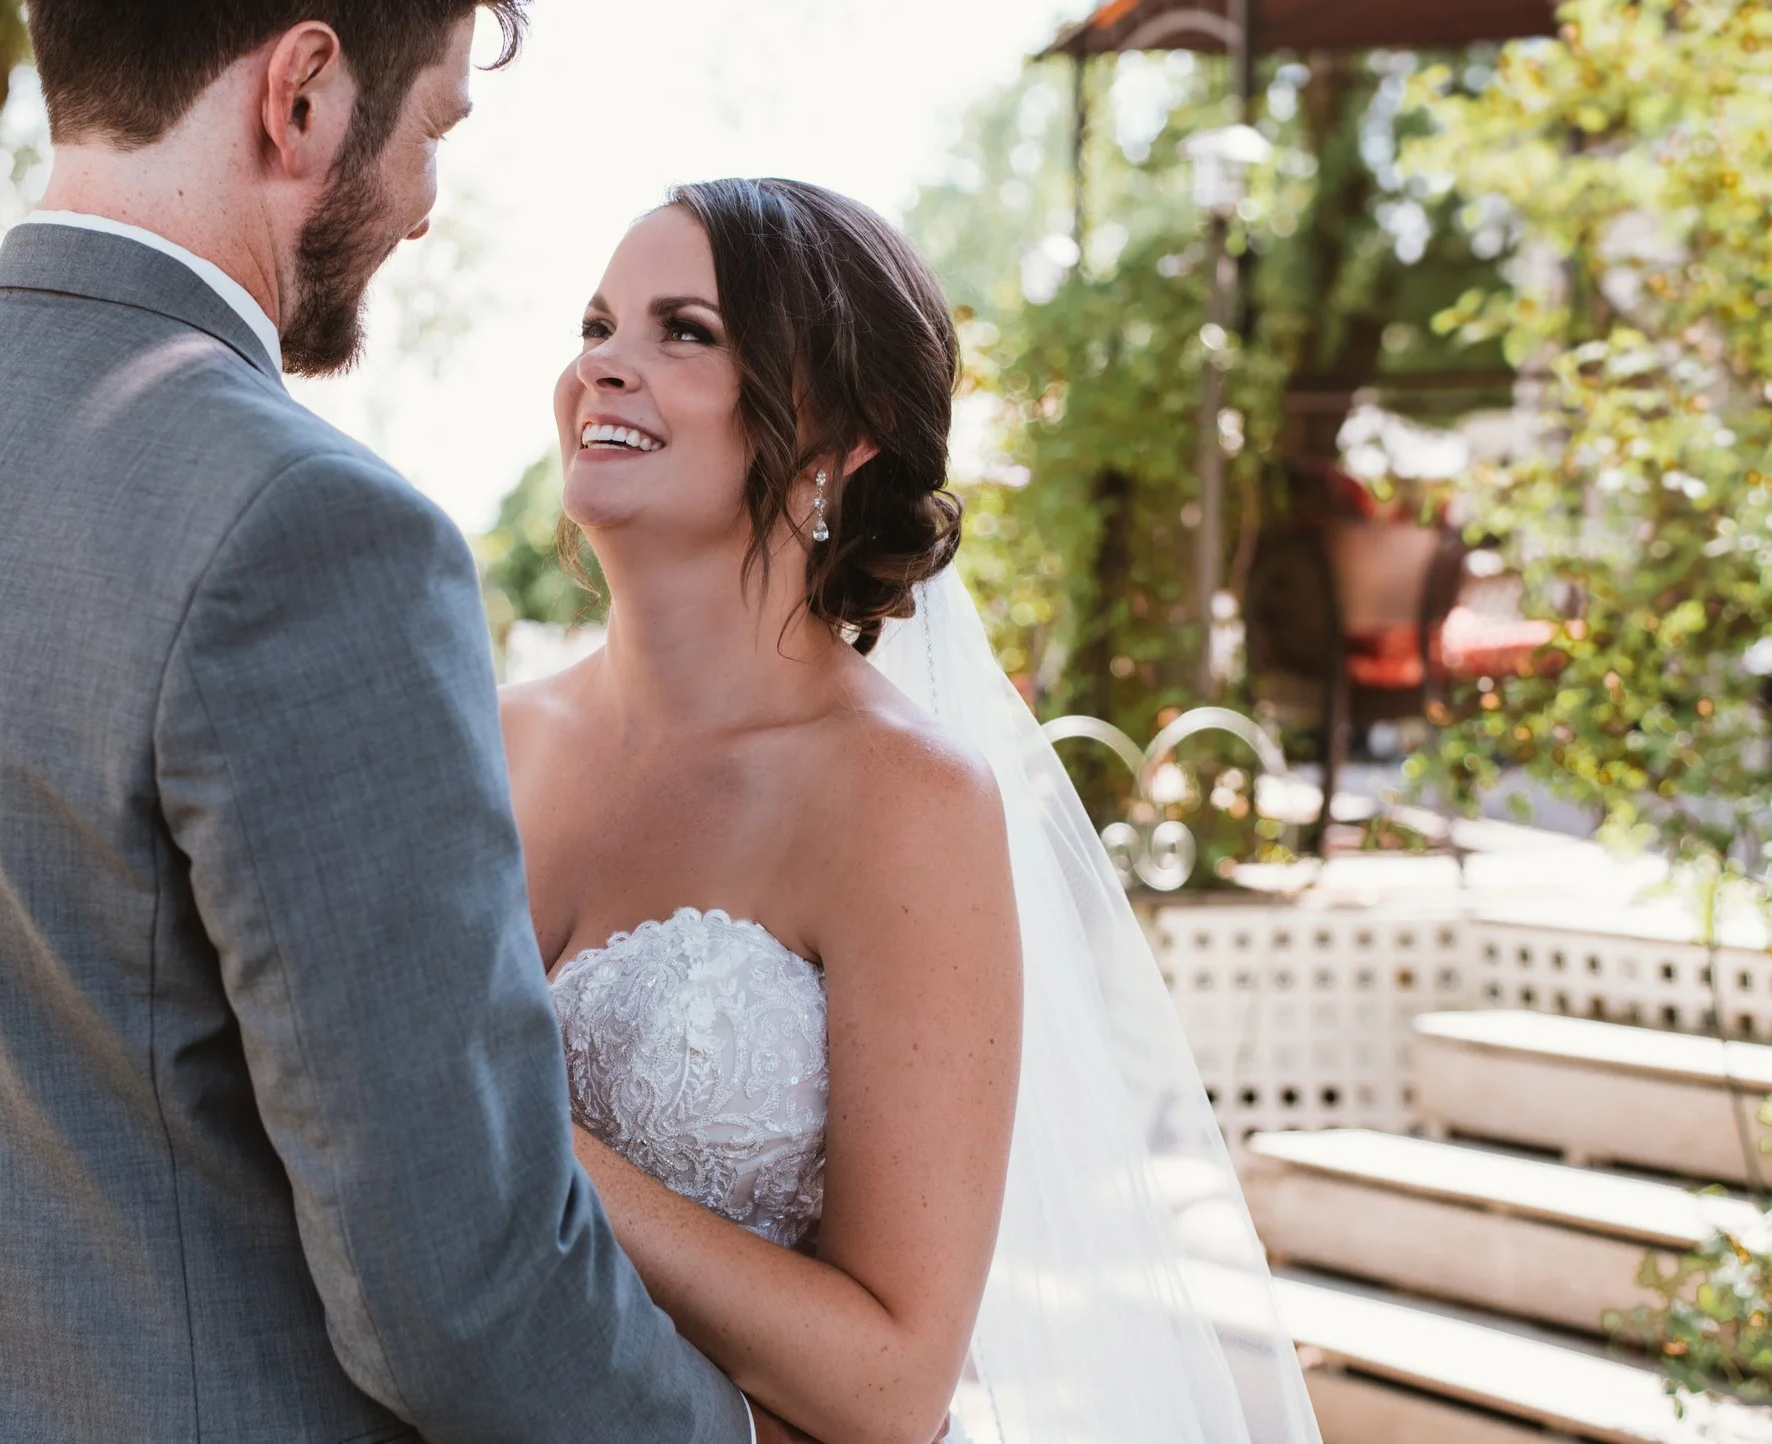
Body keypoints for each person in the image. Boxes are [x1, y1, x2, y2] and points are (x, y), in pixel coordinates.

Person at [0, 0, 756, 1440]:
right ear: (305, 92)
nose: (423, 200)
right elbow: (462, 1288)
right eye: (435, 128)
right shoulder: (312, 535)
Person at [508, 179, 1325, 1444]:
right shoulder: (482, 737)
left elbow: (890, 1384)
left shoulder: (901, 797)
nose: (601, 368)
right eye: (595, 324)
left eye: (684, 331)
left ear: (849, 434)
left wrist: (520, 1143)